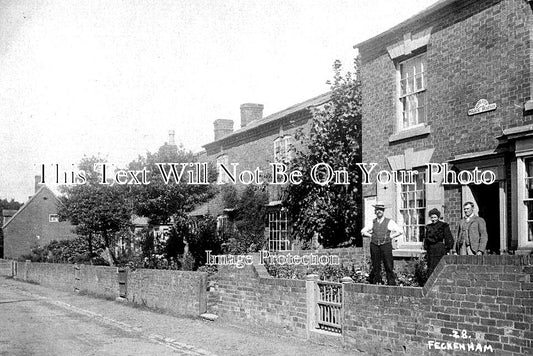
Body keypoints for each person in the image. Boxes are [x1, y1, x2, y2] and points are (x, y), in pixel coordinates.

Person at [361, 202, 403, 285]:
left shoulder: (389, 221)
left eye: (380, 209)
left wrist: (391, 237)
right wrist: (371, 235)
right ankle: (377, 282)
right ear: (375, 211)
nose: (378, 211)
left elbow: (400, 231)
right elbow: (363, 231)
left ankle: (391, 283)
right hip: (374, 245)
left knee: (388, 265)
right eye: (377, 209)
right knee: (376, 265)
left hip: (386, 245)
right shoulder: (372, 222)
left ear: (383, 211)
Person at [424, 208, 454, 275]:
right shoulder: (428, 227)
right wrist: (426, 248)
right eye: (432, 217)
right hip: (431, 249)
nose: (433, 219)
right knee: (431, 266)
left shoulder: (443, 225)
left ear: (438, 217)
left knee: (439, 266)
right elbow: (426, 239)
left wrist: (448, 249)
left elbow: (448, 237)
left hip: (440, 249)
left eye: (435, 217)